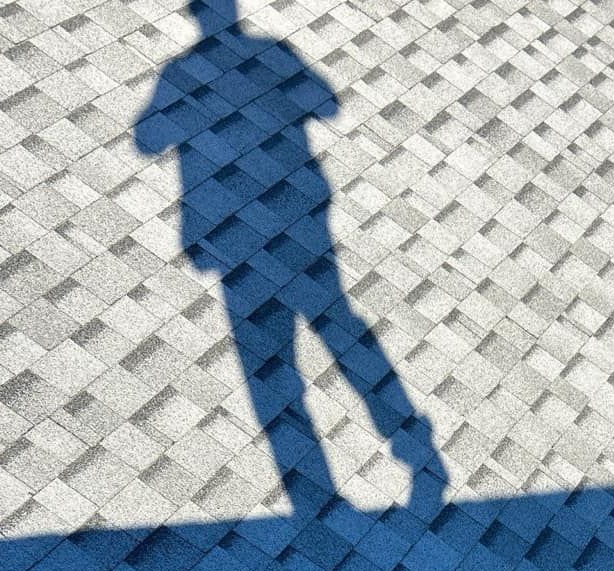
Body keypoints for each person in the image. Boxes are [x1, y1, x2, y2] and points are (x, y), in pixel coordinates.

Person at [133, 0, 445, 517]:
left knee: (272, 364)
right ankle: (413, 448)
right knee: (341, 332)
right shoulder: (272, 53)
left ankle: (315, 498)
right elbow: (325, 103)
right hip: (296, 217)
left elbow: (148, 139)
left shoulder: (183, 71)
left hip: (237, 234)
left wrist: (205, 109)